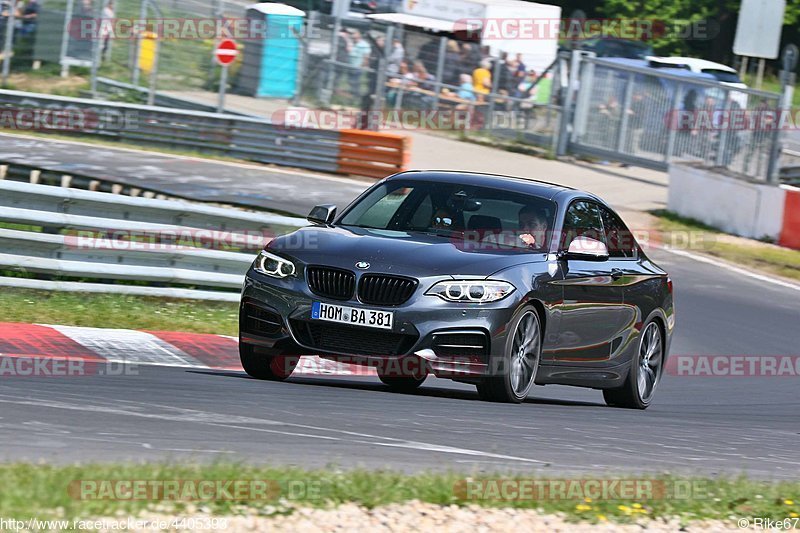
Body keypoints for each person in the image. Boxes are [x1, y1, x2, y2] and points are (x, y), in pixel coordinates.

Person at [348, 29, 371, 98]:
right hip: (351, 66)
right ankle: (353, 95)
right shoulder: (353, 43)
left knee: (356, 82)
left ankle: (357, 96)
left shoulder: (364, 44)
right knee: (350, 81)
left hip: (358, 67)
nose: (353, 35)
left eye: (355, 33)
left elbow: (366, 56)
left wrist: (362, 66)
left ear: (359, 35)